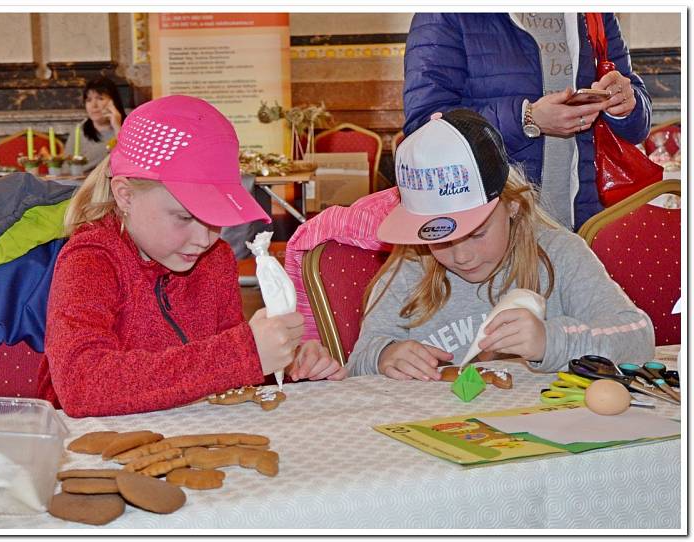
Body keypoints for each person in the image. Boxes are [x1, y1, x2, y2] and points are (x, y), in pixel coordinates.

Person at [38, 95, 346, 417]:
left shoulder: (215, 258)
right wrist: (246, 353)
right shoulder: (91, 260)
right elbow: (82, 385)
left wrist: (285, 361)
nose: (203, 239)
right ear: (125, 195)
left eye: (215, 218)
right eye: (184, 218)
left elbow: (228, 377)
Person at [346, 109, 654, 380]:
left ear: (513, 206)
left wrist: (550, 341)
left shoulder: (561, 254)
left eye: (477, 233)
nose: (462, 256)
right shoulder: (413, 264)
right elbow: (360, 360)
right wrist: (384, 355)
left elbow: (638, 336)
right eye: (439, 239)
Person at [402, 13, 652, 229]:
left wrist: (624, 105)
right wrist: (527, 119)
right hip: (490, 228)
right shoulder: (445, 12)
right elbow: (425, 128)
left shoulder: (592, 12)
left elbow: (638, 125)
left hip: (585, 219)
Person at [66, 76, 128, 173]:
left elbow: (128, 164)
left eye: (100, 98)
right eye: (89, 100)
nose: (94, 105)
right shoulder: (79, 131)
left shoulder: (128, 128)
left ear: (114, 102)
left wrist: (117, 127)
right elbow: (67, 168)